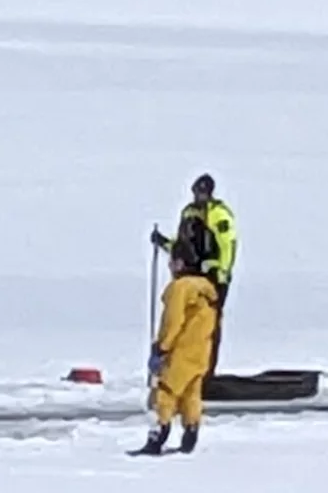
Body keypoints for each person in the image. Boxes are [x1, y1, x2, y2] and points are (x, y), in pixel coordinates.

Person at [131, 237, 219, 456]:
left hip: (180, 352)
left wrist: (162, 347)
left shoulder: (180, 288)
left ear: (180, 263)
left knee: (164, 394)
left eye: (172, 262)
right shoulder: (206, 289)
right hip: (200, 352)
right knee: (191, 394)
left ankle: (157, 437)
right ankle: (190, 434)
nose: (170, 266)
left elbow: (173, 321)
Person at [150, 173, 237, 374]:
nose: (199, 196)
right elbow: (182, 245)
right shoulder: (188, 213)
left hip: (211, 278)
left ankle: (205, 373)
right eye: (197, 192)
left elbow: (227, 245)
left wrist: (221, 270)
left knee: (207, 326)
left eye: (203, 192)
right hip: (189, 276)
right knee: (183, 323)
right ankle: (182, 370)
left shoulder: (219, 215)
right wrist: (164, 243)